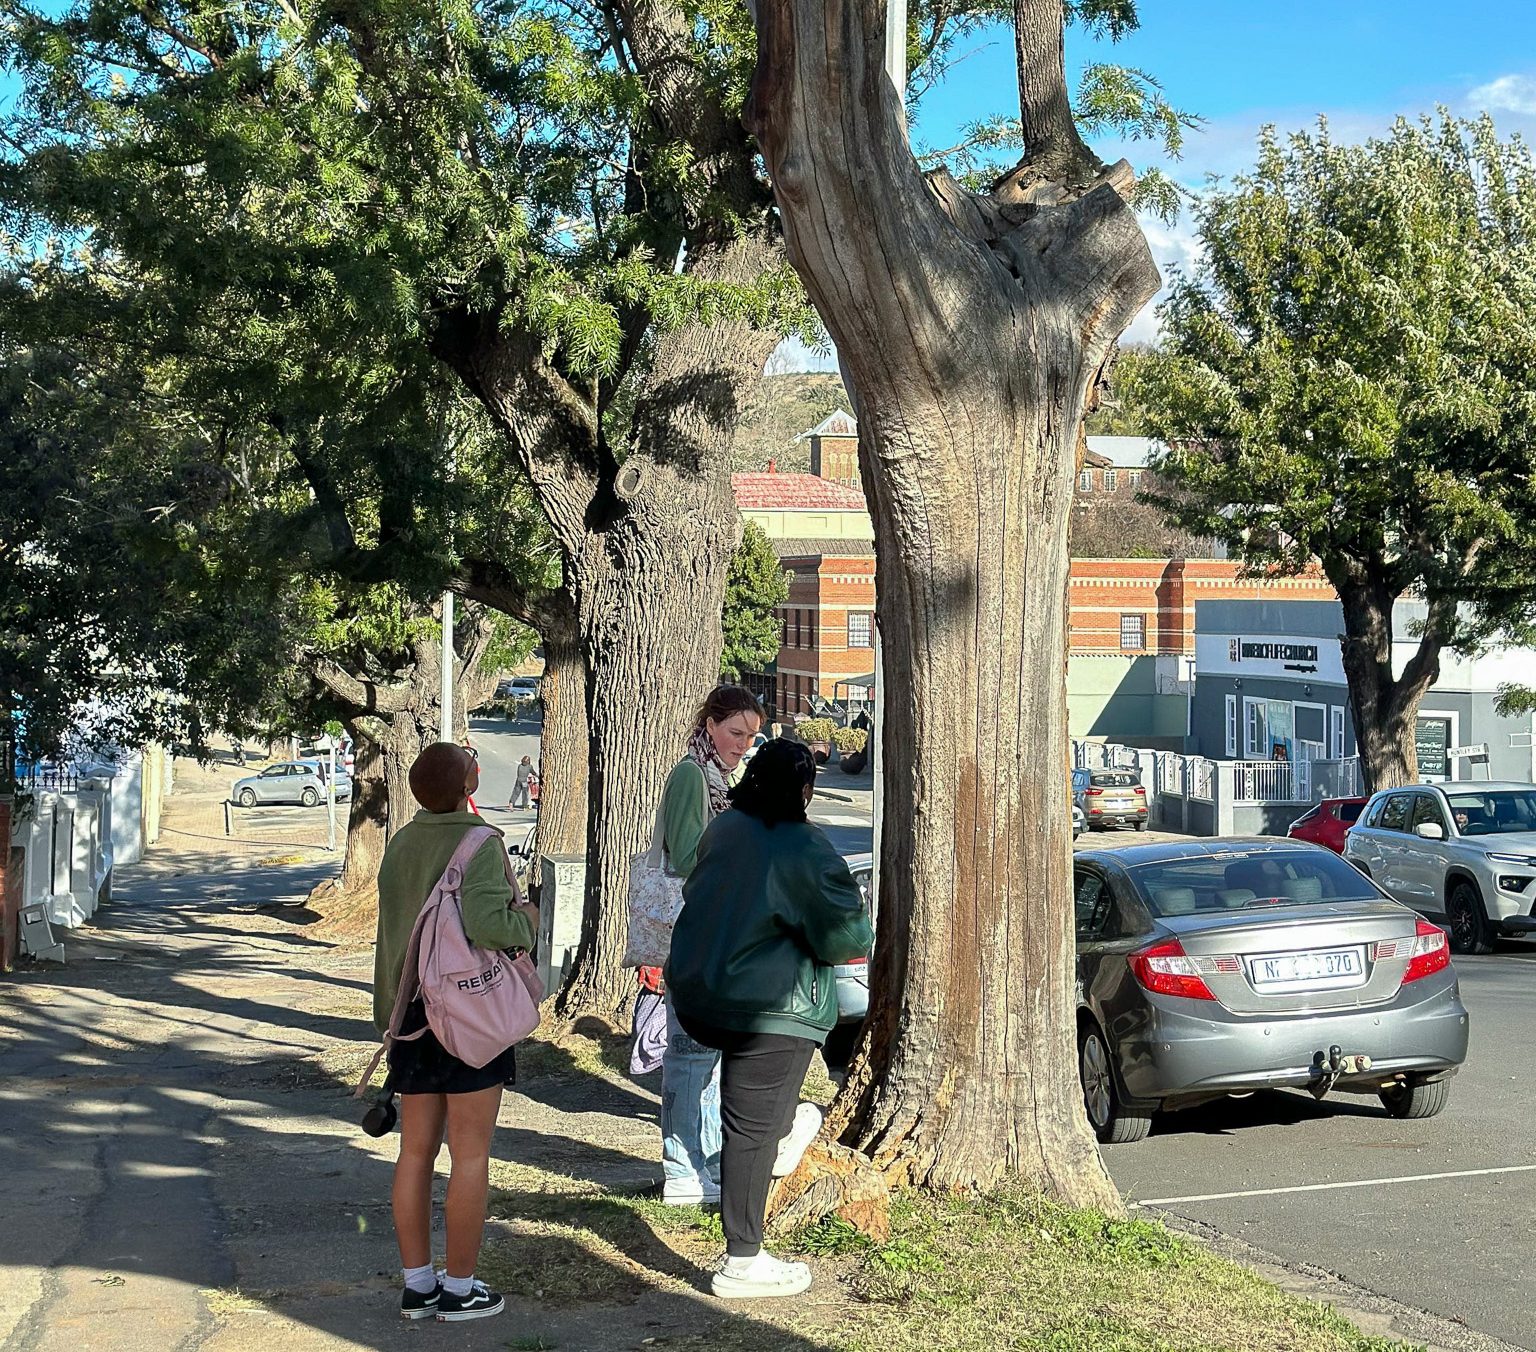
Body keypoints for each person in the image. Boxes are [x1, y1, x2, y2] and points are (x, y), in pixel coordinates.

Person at [667, 739, 872, 1298]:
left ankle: (781, 1132)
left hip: (700, 996)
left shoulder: (723, 828)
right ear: (805, 790)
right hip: (773, 1008)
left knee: (746, 1121)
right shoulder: (809, 847)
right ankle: (742, 1261)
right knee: (751, 1131)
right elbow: (849, 938)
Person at [373, 742, 540, 1323]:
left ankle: (417, 1285)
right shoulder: (480, 843)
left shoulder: (401, 844)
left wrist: (388, 1020)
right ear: (470, 780)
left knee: (414, 1153)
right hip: (467, 1015)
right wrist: (529, 920)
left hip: (411, 1015)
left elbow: (391, 934)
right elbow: (490, 924)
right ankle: (461, 1287)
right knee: (469, 1155)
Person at [654, 685, 765, 1206]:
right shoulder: (691, 775)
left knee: (711, 1059)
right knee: (689, 1056)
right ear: (710, 724)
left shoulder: (720, 777)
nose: (742, 743)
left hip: (716, 936)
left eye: (751, 736)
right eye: (735, 732)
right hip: (691, 936)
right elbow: (684, 858)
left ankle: (707, 1164)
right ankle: (681, 1166)